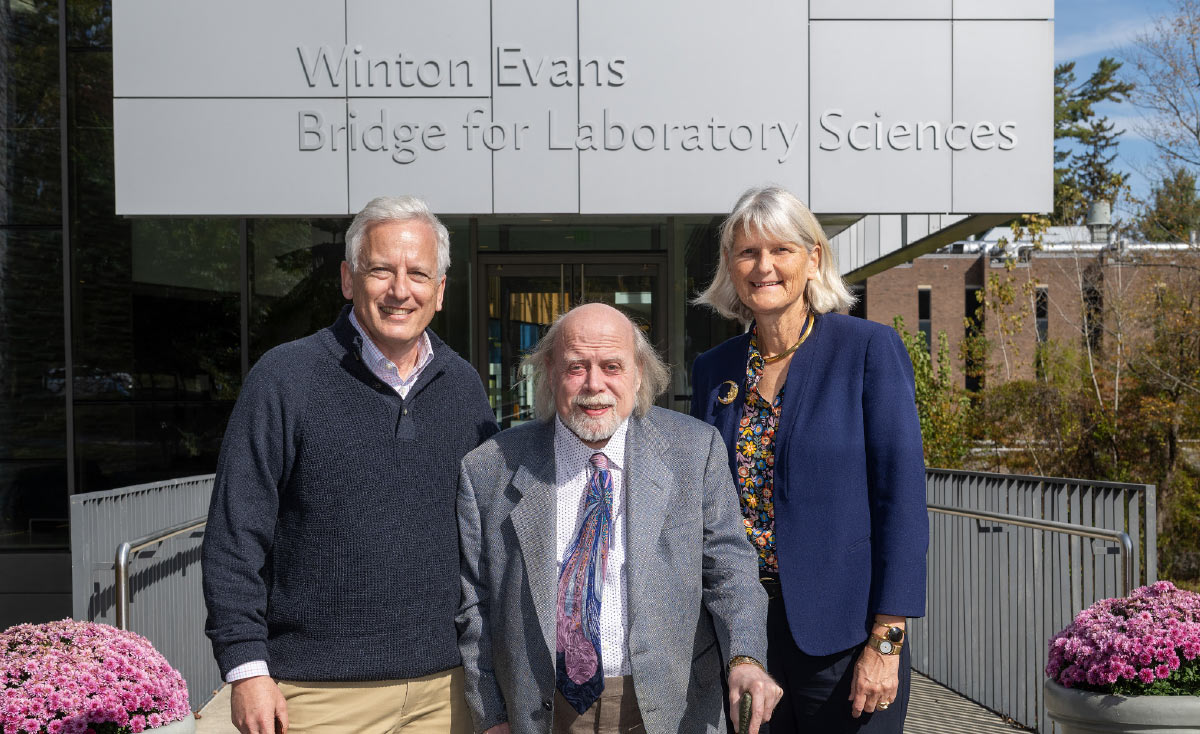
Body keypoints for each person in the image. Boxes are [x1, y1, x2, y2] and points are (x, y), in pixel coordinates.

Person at [202, 196, 498, 734]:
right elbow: (234, 536)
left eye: (418, 274)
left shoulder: (464, 389)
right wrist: (246, 668)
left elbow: (487, 545)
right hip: (315, 696)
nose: (400, 290)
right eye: (381, 270)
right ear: (347, 279)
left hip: (445, 692)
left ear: (440, 290)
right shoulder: (285, 378)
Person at [457, 303, 782, 734]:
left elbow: (731, 571)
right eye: (576, 367)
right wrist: (491, 716)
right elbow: (474, 607)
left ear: (639, 372)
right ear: (551, 371)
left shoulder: (694, 451)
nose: (595, 385)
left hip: (669, 708)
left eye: (612, 366)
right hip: (542, 713)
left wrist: (745, 657)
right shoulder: (489, 468)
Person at [690, 186, 929, 732]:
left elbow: (903, 503)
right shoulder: (714, 368)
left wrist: (887, 641)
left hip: (847, 640)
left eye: (781, 250)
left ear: (813, 258)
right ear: (730, 266)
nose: (763, 266)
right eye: (748, 252)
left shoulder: (867, 349)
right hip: (744, 638)